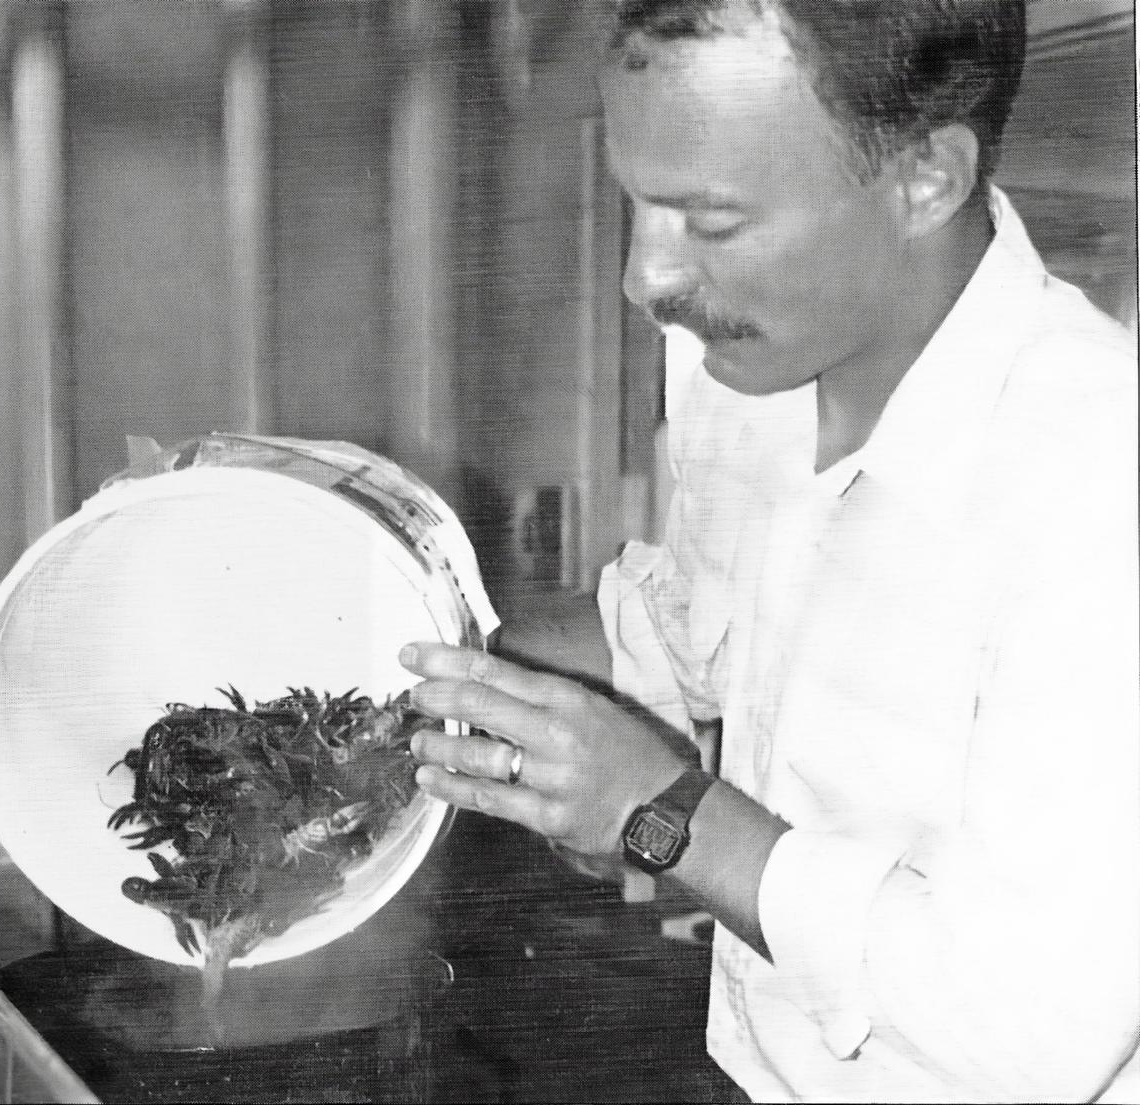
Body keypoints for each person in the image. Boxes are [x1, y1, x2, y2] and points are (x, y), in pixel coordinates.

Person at [400, 1, 1140, 1100]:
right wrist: (399, 627)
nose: (643, 281)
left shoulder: (1096, 477)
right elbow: (682, 648)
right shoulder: (743, 388)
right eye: (639, 204)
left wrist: (665, 813)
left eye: (710, 219)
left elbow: (1032, 1029)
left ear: (924, 178)